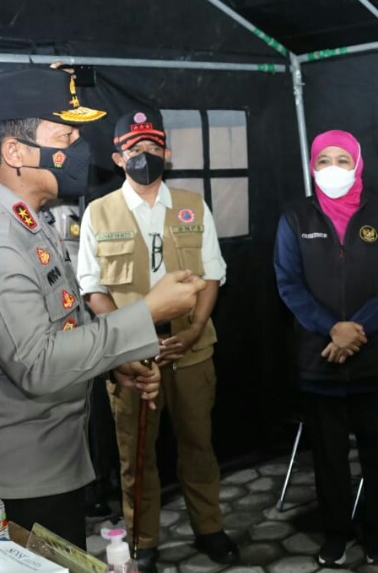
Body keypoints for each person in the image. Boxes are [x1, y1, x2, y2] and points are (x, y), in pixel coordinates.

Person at [0, 67, 205, 547]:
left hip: (40, 460)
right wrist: (148, 313)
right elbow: (37, 363)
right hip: (11, 481)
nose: (79, 148)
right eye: (65, 136)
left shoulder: (25, 216)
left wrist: (112, 362)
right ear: (15, 152)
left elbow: (57, 325)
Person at [77, 106, 236, 571]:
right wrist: (128, 340)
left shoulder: (192, 204)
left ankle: (209, 527)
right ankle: (142, 539)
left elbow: (212, 276)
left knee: (199, 446)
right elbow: (93, 289)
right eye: (134, 148)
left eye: (152, 146)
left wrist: (193, 330)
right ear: (117, 157)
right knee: (136, 455)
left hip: (190, 349)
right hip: (133, 359)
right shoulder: (99, 212)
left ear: (166, 153)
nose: (144, 154)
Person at [274, 130, 378, 568]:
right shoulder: (295, 218)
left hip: (377, 357)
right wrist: (332, 329)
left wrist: (355, 331)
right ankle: (336, 532)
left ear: (358, 165)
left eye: (342, 160)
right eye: (324, 160)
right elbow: (288, 284)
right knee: (328, 457)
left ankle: (377, 529)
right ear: (312, 167)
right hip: (321, 358)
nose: (333, 168)